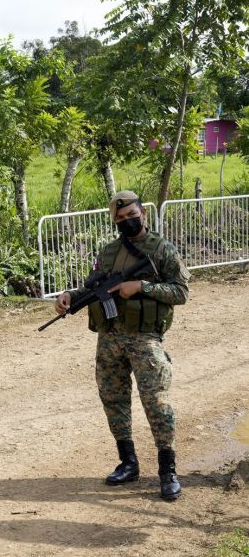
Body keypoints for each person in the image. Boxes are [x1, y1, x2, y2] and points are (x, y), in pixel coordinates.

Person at [54, 190, 190, 501]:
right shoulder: (108, 252)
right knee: (113, 400)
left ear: (143, 213)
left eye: (132, 215)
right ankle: (128, 463)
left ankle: (167, 470)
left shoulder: (162, 249)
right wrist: (69, 298)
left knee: (156, 402)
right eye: (120, 217)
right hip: (110, 339)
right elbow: (93, 287)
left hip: (144, 339)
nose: (127, 221)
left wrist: (141, 286)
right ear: (114, 220)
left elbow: (181, 292)